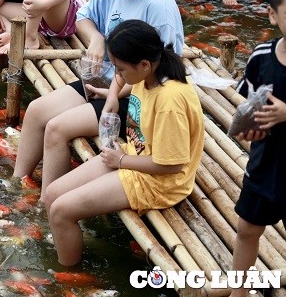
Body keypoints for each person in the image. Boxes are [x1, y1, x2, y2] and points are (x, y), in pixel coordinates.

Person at [11, 0, 184, 194]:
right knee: (35, 111)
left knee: (57, 128)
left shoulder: (157, 4)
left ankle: (47, 201)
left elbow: (161, 71)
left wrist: (115, 92)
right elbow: (84, 17)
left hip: (138, 96)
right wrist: (97, 38)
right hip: (108, 77)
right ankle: (18, 186)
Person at [42, 19, 204, 266]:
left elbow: (172, 165)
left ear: (144, 65)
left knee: (61, 211)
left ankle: (69, 278)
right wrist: (113, 95)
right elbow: (125, 81)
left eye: (120, 69)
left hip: (159, 181)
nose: (116, 75)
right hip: (133, 156)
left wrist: (122, 161)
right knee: (52, 194)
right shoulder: (148, 74)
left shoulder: (169, 102)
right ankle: (72, 242)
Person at [229, 0, 286, 297]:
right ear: (273, 15)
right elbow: (248, 104)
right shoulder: (261, 57)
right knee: (247, 229)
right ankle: (239, 292)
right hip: (264, 164)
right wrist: (246, 129)